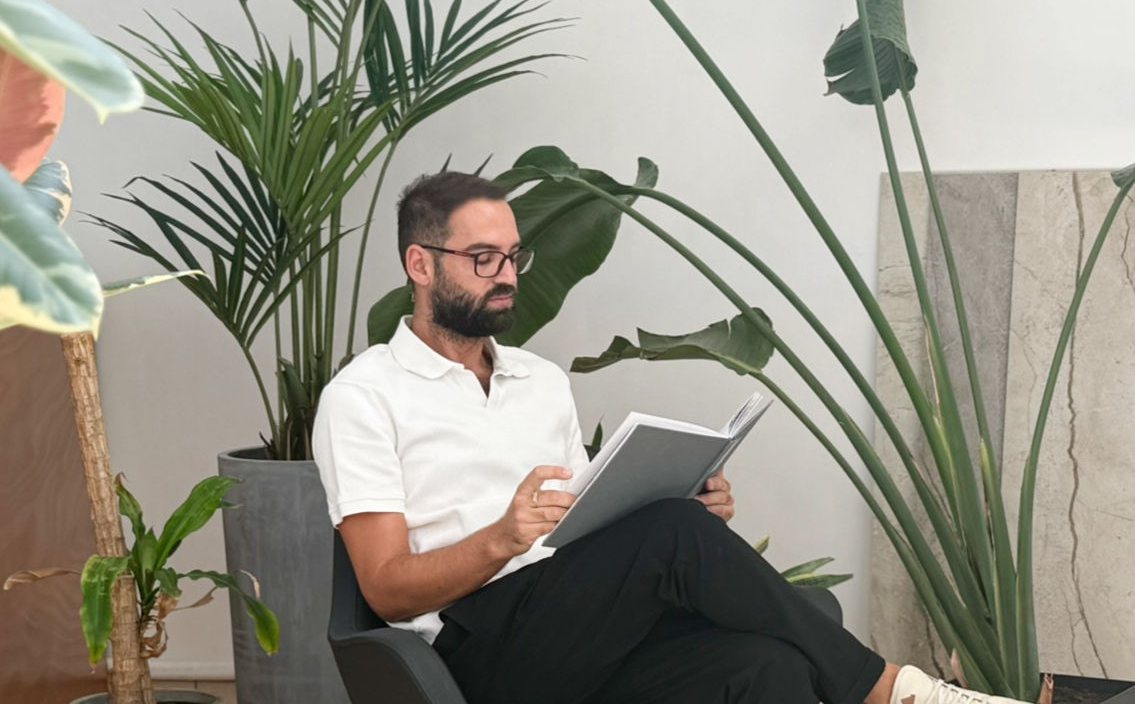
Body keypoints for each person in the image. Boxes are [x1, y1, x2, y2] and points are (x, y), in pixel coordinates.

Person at [312, 171, 1032, 704]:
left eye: (513, 257)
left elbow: (586, 522)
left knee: (763, 666)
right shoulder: (364, 397)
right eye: (483, 260)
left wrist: (680, 497)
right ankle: (895, 692)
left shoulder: (539, 380)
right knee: (668, 534)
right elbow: (386, 589)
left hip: (580, 632)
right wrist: (502, 537)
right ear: (420, 264)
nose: (507, 278)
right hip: (474, 658)